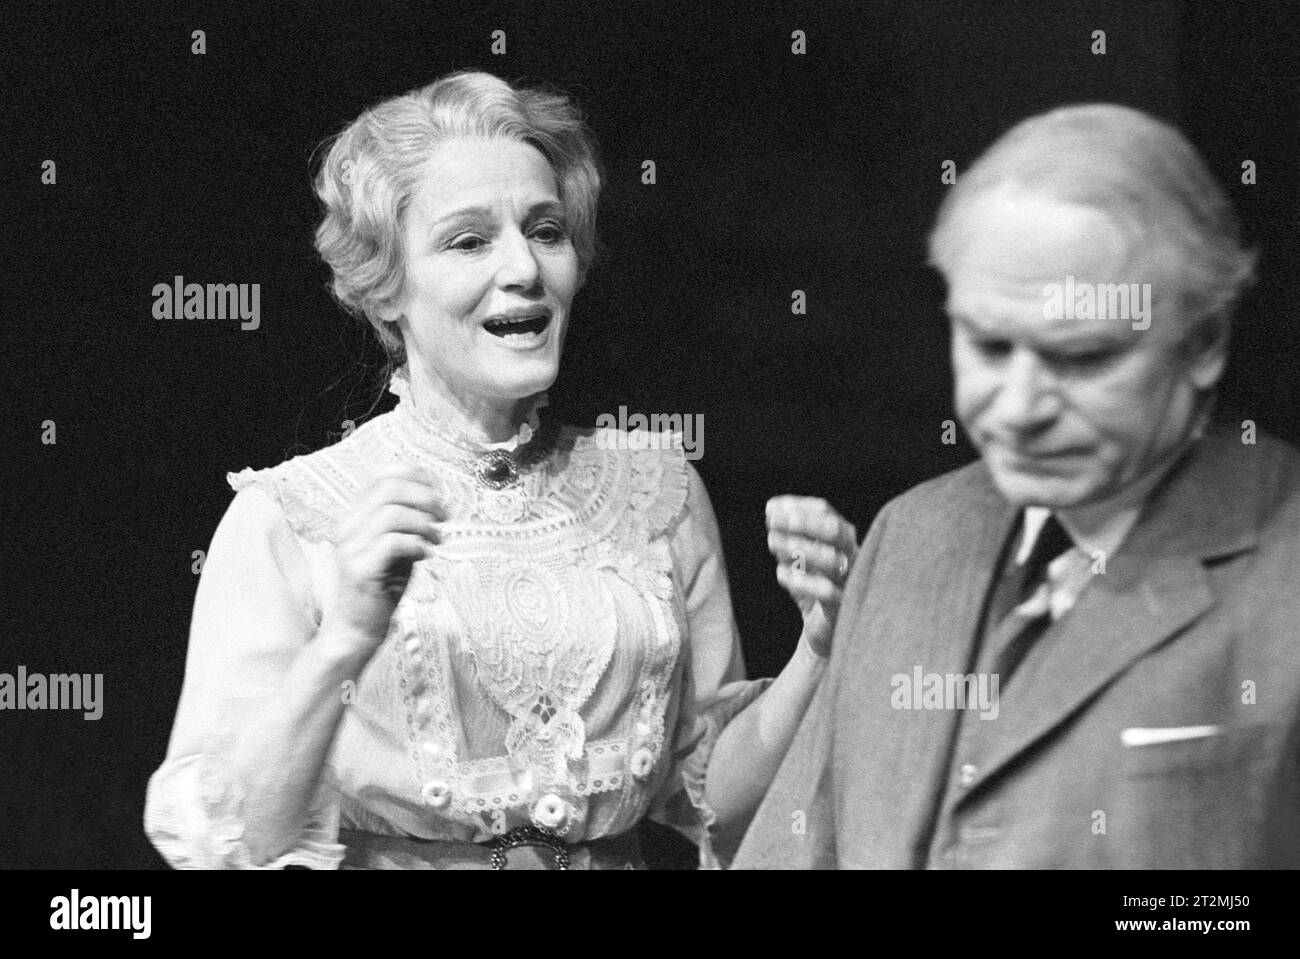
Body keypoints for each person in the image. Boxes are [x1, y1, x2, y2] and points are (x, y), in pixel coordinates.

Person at [143, 70, 858, 870]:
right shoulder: (293, 515)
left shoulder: (657, 491)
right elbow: (224, 845)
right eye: (469, 240)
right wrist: (342, 642)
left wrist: (819, 650)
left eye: (546, 230)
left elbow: (712, 805)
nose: (524, 266)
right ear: (385, 286)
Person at [734, 103, 1300, 869]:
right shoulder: (909, 535)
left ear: (1203, 342)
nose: (1021, 408)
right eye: (991, 345)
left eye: (1082, 358)